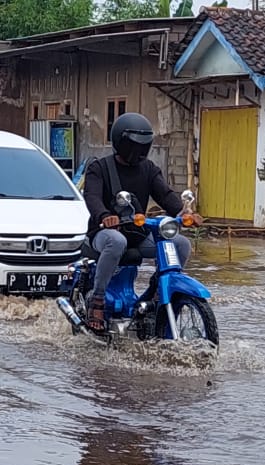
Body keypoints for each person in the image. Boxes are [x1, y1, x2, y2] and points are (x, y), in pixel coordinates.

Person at [81, 112, 204, 333]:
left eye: (143, 146)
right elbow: (92, 197)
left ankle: (158, 294)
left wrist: (184, 213)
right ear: (121, 142)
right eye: (134, 146)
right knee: (116, 242)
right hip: (104, 232)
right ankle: (97, 301)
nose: (138, 152)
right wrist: (103, 216)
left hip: (138, 232)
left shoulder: (148, 169)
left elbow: (165, 195)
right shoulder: (99, 168)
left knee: (180, 244)